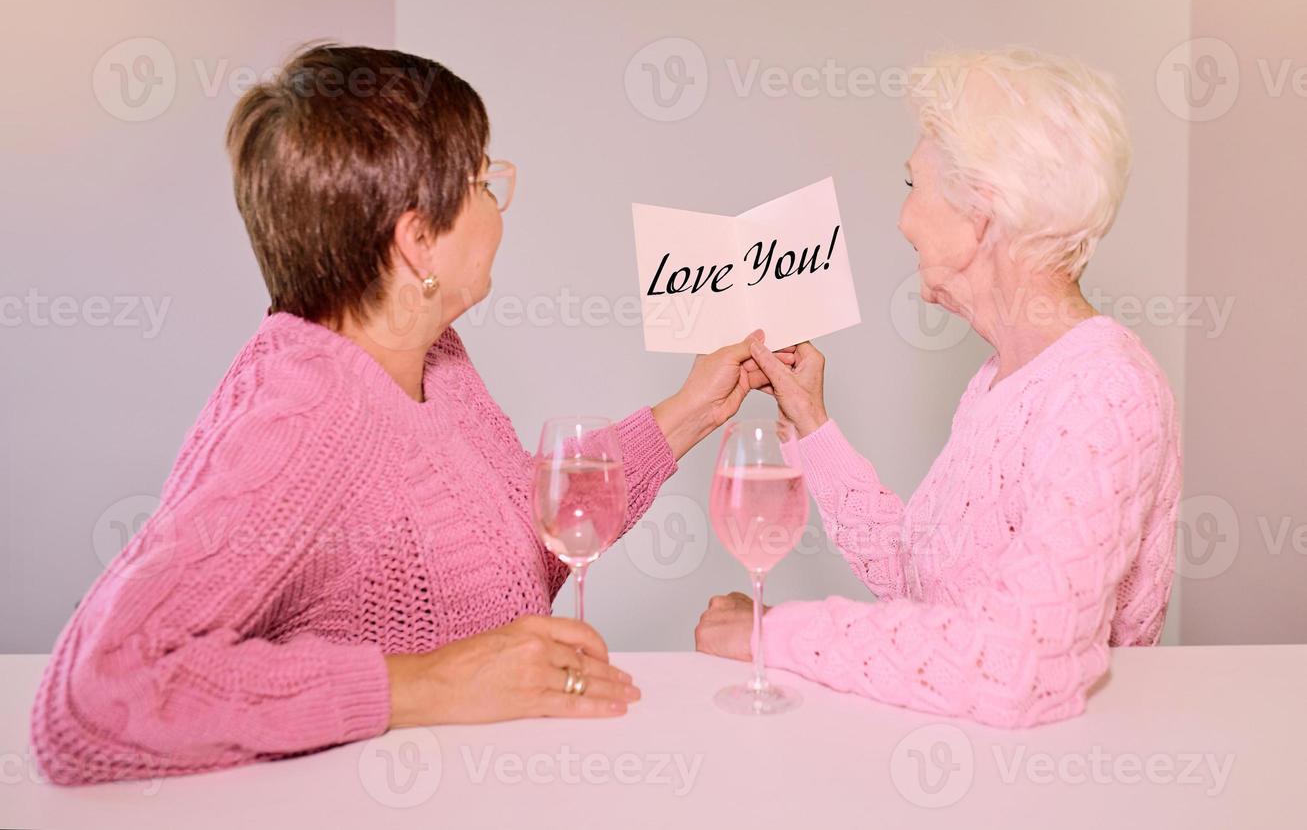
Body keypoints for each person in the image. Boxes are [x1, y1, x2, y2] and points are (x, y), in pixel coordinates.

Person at [31, 43, 780, 785]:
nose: (497, 204)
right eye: (484, 181)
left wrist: (689, 410)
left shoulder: (434, 358)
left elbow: (520, 540)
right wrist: (426, 685)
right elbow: (91, 699)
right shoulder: (300, 414)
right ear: (418, 239)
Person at [696, 47, 1183, 728]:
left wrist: (772, 634)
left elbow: (1020, 664)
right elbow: (922, 584)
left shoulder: (1103, 391)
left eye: (911, 187)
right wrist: (811, 422)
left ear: (979, 212)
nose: (902, 221)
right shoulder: (1000, 378)